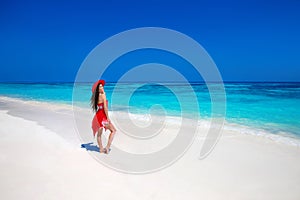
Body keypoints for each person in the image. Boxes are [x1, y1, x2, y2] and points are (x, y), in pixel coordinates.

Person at [90, 80, 116, 154]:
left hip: (98, 115)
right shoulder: (103, 95)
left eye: (102, 86)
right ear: (98, 89)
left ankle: (101, 149)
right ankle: (107, 148)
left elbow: (99, 107)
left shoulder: (96, 97)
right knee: (113, 131)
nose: (102, 88)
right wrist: (107, 117)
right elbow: (105, 107)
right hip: (103, 116)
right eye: (100, 87)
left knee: (99, 134)